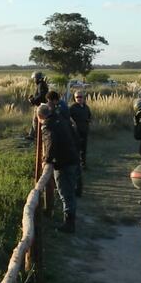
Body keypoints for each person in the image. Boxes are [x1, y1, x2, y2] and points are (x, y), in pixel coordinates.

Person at [38, 103, 80, 233]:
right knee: (70, 192)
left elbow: (51, 143)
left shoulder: (47, 125)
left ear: (40, 116)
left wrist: (47, 160)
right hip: (73, 158)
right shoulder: (61, 119)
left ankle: (69, 224)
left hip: (63, 162)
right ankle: (71, 220)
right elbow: (74, 135)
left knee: (64, 192)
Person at [68, 90, 92, 170]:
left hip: (84, 131)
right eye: (77, 97)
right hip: (75, 132)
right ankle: (75, 165)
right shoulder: (72, 108)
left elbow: (89, 116)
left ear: (83, 98)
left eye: (80, 97)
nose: (79, 98)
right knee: (76, 149)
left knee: (83, 149)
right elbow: (68, 118)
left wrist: (88, 122)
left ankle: (83, 164)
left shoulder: (86, 107)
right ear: (74, 98)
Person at [26, 71, 49, 139]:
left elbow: (41, 95)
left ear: (38, 78)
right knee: (35, 120)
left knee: (36, 120)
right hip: (41, 105)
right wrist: (33, 98)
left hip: (40, 106)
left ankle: (37, 136)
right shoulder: (42, 84)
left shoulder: (41, 85)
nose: (34, 80)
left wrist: (33, 100)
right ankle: (32, 135)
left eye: (34, 78)